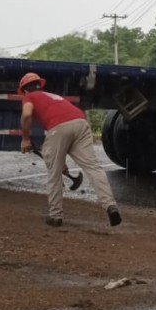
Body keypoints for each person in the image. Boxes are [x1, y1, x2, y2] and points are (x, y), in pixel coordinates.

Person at [18, 72, 122, 228]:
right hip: (80, 122)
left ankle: (55, 216)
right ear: (40, 85)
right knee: (93, 167)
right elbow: (66, 130)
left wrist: (25, 138)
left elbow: (26, 115)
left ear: (25, 90)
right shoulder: (52, 96)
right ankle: (110, 206)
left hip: (58, 127)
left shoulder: (30, 97)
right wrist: (59, 161)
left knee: (54, 173)